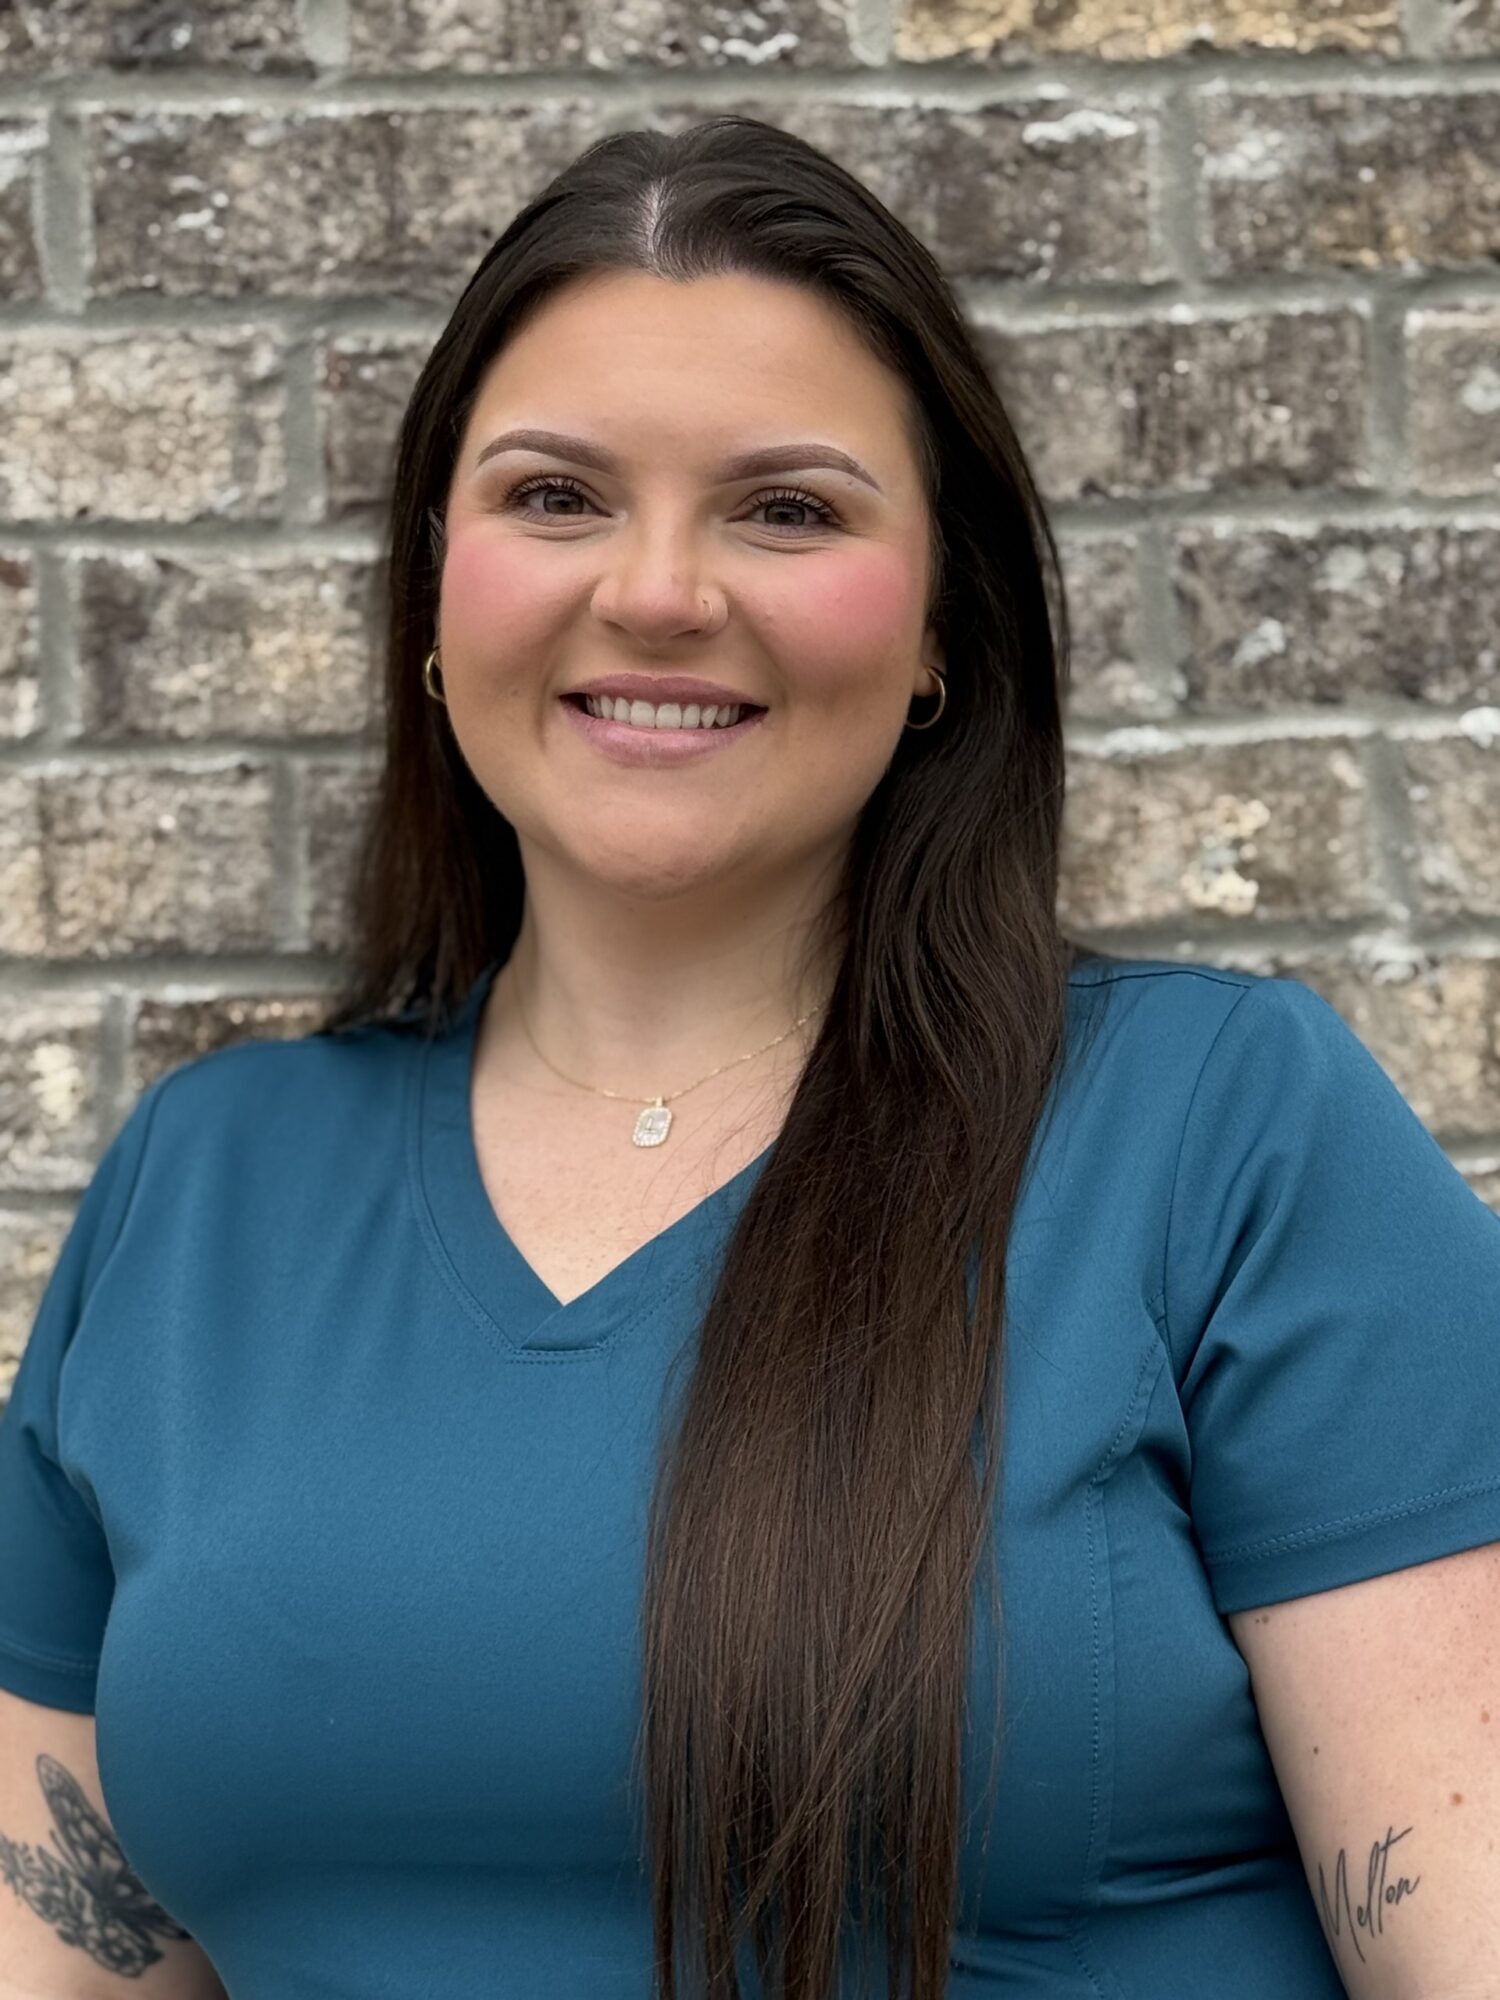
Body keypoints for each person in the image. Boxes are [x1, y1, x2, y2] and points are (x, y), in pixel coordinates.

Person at [2, 113, 1499, 2000]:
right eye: (555, 497)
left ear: (945, 622)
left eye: (787, 509)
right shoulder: (202, 1190)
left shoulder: (1224, 1137)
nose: (656, 591)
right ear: (433, 603)